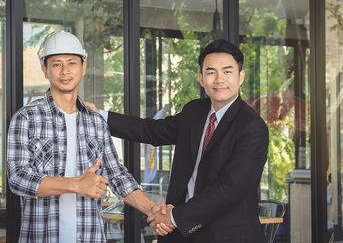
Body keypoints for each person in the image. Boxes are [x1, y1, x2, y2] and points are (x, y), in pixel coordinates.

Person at [87, 39, 269, 243]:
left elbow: (229, 189)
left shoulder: (252, 127)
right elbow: (152, 131)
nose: (219, 79)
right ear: (201, 79)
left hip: (227, 235)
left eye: (227, 72)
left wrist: (173, 218)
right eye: (211, 72)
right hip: (181, 233)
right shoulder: (195, 112)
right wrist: (99, 116)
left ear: (240, 77)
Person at [7, 31, 161, 243]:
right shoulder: (25, 118)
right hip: (41, 237)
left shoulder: (96, 122)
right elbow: (18, 179)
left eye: (71, 63)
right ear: (45, 70)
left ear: (83, 67)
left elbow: (116, 176)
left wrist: (154, 209)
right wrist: (75, 184)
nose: (65, 71)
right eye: (56, 64)